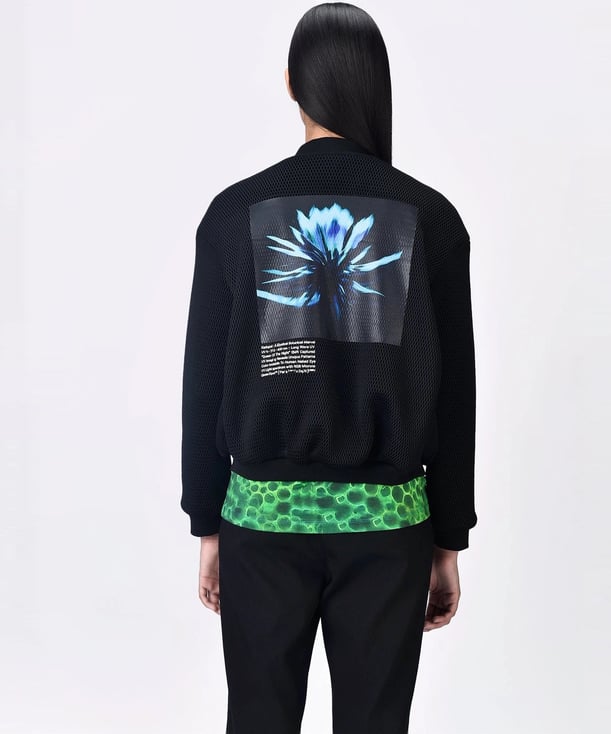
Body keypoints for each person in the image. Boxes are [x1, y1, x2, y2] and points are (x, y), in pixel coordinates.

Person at [180, 3, 477, 733]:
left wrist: (207, 522)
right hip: (390, 530)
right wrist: (448, 537)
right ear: (376, 85)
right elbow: (454, 396)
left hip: (262, 524)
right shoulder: (430, 218)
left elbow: (204, 384)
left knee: (259, 720)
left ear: (291, 83)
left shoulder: (235, 215)